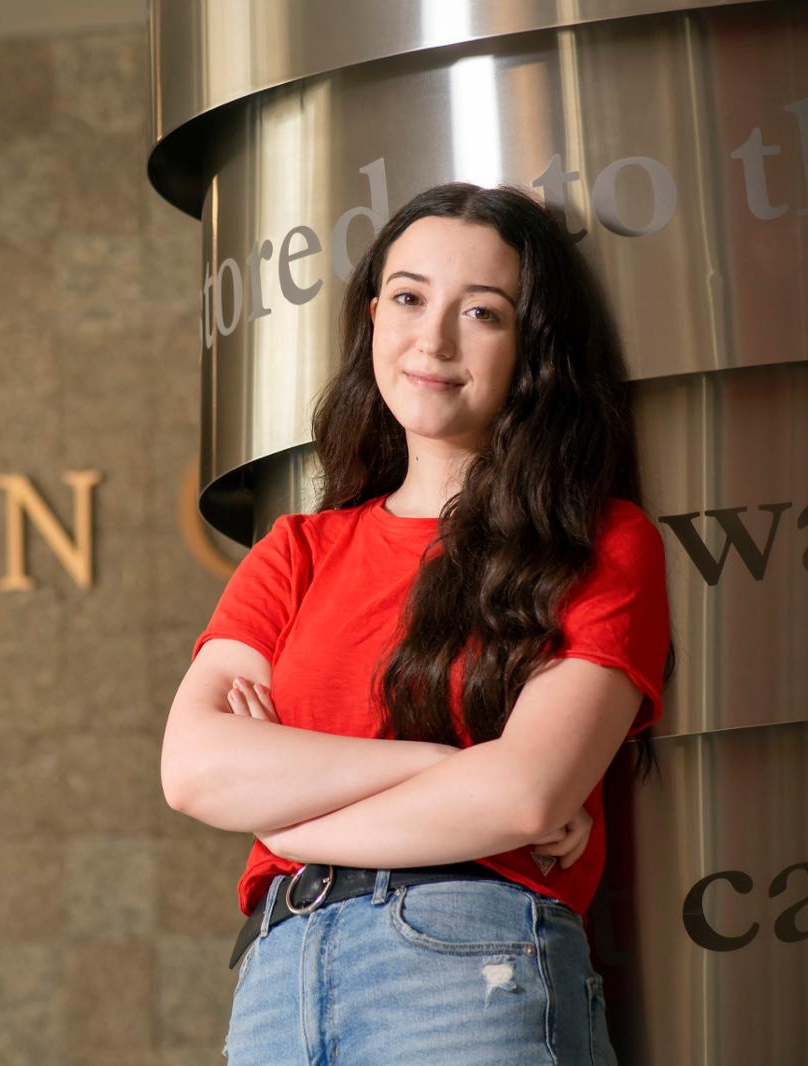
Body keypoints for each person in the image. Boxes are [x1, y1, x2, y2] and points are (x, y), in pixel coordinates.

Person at [159, 181, 675, 1064]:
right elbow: (195, 769)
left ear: (531, 347)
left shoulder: (600, 540)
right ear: (372, 319)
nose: (432, 339)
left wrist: (288, 822)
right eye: (408, 298)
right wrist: (440, 766)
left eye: (482, 313)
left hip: (468, 961)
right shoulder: (297, 551)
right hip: (278, 984)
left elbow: (525, 795)